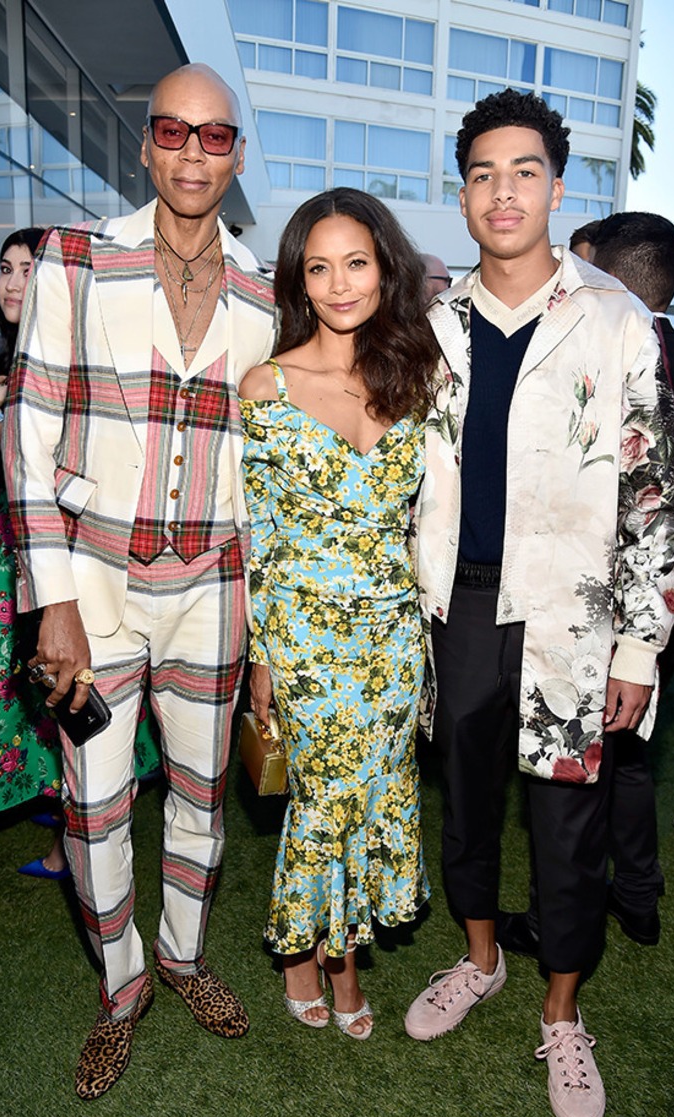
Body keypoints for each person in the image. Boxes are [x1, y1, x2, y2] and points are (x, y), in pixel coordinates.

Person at [405, 89, 674, 1117]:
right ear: (464, 192)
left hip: (575, 621)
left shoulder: (613, 319)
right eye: (481, 173)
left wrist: (639, 643)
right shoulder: (429, 326)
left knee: (569, 833)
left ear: (555, 186)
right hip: (459, 612)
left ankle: (562, 1011)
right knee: (467, 802)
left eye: (522, 170)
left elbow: (657, 495)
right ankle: (477, 959)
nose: (501, 190)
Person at [2, 63, 277, 1099]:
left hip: (213, 589)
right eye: (174, 132)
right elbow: (27, 434)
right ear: (146, 143)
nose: (193, 154)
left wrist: (259, 627)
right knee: (94, 802)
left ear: (235, 154)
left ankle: (183, 956)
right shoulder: (78, 259)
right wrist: (54, 603)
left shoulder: (263, 290)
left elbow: (266, 467)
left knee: (204, 798)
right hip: (97, 584)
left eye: (215, 137)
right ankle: (122, 991)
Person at [240, 188, 439, 1039]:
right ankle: (319, 958)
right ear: (298, 280)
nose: (339, 282)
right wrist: (261, 656)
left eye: (355, 261)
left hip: (394, 637)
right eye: (318, 266)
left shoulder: (419, 374)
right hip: (307, 635)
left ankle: (331, 947)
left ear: (384, 267)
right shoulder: (267, 384)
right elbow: (260, 532)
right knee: (322, 798)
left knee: (376, 792)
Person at [498, 212, 674, 950]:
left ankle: (558, 912)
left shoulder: (607, 347)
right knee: (627, 764)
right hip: (673, 611)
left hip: (601, 609)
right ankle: (639, 892)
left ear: (603, 267)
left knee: (573, 778)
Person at [0, 230, 162, 879]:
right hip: (9, 551)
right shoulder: (3, 361)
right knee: (34, 701)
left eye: (29, 269)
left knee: (70, 700)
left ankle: (80, 840)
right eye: (6, 269)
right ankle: (70, 832)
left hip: (56, 556)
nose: (14, 282)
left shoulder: (66, 358)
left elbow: (57, 459)